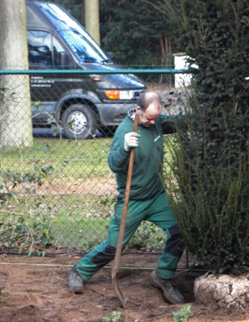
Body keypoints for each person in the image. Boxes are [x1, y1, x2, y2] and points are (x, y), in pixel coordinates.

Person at [68, 91, 184, 304]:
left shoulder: (155, 122)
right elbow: (113, 163)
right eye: (149, 118)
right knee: (114, 246)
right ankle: (80, 271)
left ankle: (164, 276)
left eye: (156, 118)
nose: (153, 122)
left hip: (157, 197)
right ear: (138, 110)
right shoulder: (124, 132)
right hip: (133, 200)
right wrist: (124, 148)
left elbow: (177, 123)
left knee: (179, 232)